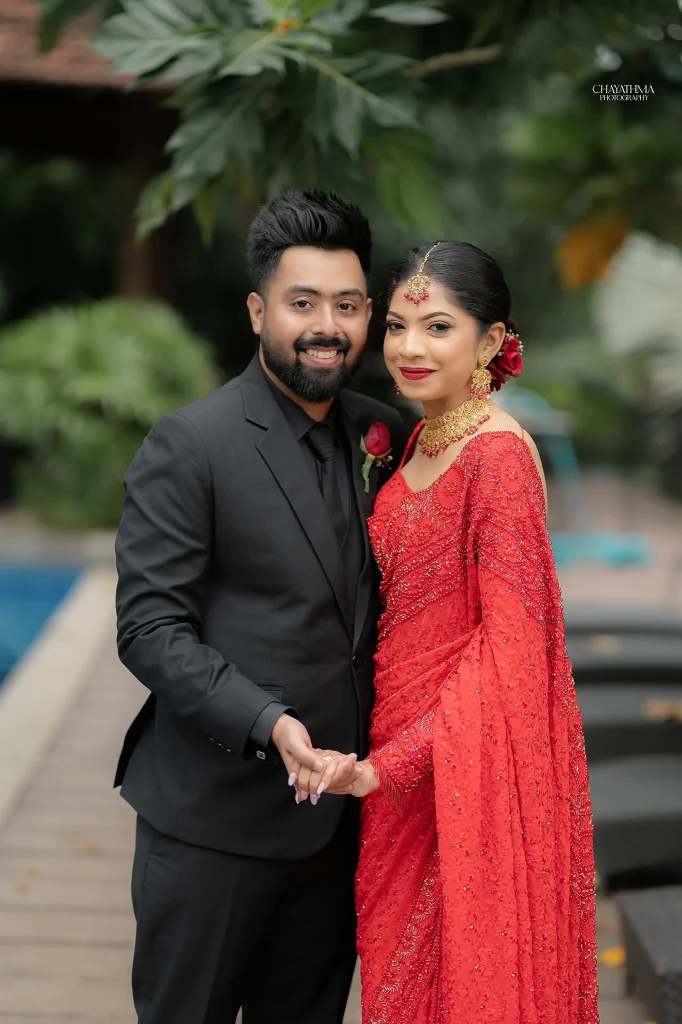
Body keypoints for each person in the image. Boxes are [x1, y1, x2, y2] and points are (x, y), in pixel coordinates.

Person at [113, 188, 408, 1024]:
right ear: (257, 311)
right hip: (211, 822)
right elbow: (149, 629)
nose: (327, 326)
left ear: (368, 314)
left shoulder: (386, 438)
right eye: (302, 303)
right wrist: (269, 723)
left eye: (347, 305)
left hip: (339, 832)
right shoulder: (191, 443)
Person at [300, 241, 600, 1024]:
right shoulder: (425, 437)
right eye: (398, 326)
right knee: (403, 987)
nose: (410, 348)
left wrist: (392, 766)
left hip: (464, 767)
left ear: (491, 341)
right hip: (400, 768)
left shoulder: (496, 458)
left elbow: (511, 651)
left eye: (437, 327)